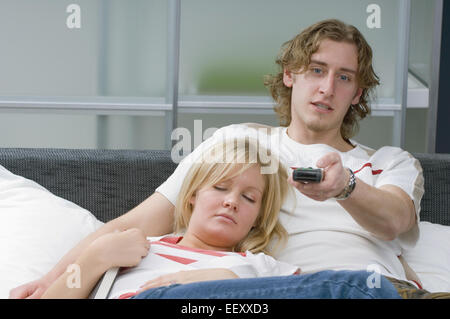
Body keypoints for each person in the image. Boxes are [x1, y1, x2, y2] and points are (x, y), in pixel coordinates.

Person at [9, 19, 442, 299]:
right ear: (290, 76)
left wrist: (345, 188)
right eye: (315, 70)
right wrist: (53, 281)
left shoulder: (389, 161)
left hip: (373, 289)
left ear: (357, 94)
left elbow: (396, 220)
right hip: (261, 294)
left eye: (343, 78)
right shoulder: (238, 145)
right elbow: (134, 226)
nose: (327, 87)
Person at [41, 139, 300, 299]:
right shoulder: (136, 247)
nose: (231, 201)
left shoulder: (263, 267)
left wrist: (226, 282)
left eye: (249, 198)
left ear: (258, 218)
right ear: (192, 197)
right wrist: (95, 257)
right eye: (220, 188)